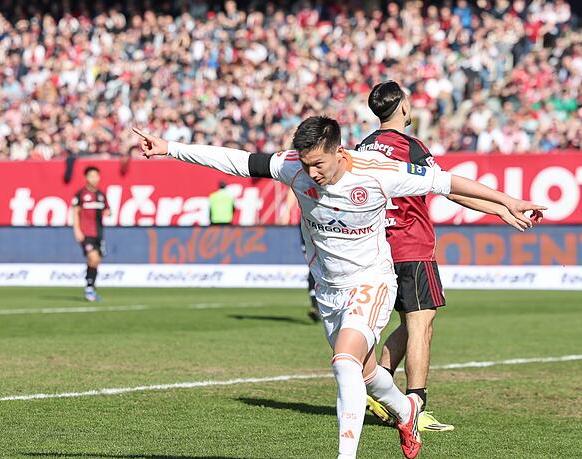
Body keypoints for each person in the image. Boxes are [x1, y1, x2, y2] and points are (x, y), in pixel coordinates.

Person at [133, 118, 544, 458]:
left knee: (344, 363)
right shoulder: (292, 165)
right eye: (307, 164)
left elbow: (449, 183)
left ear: (338, 151)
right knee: (365, 374)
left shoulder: (379, 173)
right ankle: (407, 411)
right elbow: (237, 161)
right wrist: (170, 147)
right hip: (328, 288)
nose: (311, 173)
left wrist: (508, 202)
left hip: (372, 280)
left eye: (318, 164)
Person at [358, 81, 533, 431]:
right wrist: (501, 206)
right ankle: (416, 409)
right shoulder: (410, 147)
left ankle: (376, 387)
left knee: (411, 324)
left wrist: (499, 210)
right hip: (412, 247)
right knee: (422, 326)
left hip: (379, 249)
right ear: (403, 108)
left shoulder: (362, 148)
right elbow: (451, 190)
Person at [72, 166, 110, 302]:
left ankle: (91, 287)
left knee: (96, 261)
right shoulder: (80, 194)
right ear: (86, 178)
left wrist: (108, 212)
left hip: (99, 234)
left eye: (96, 176)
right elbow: (75, 212)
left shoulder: (101, 195)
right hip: (86, 232)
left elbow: (107, 210)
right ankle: (89, 289)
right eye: (91, 176)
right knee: (93, 258)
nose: (94, 178)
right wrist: (76, 229)